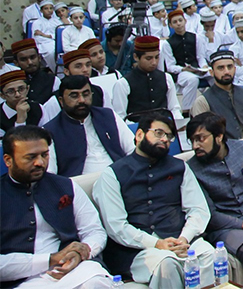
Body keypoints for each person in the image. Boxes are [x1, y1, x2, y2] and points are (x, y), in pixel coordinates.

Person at [93, 111, 214, 288]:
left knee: (209, 254)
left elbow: (198, 209)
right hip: (138, 249)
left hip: (180, 240)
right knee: (166, 263)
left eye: (169, 136)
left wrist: (184, 238)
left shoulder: (179, 167)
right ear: (139, 134)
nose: (165, 139)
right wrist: (156, 243)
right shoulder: (112, 174)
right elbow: (116, 226)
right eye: (159, 133)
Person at [1, 126, 113, 289]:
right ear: (8, 160)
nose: (40, 163)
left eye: (44, 155)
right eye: (30, 157)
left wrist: (80, 252)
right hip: (23, 281)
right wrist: (50, 259)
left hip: (71, 270)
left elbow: (94, 231)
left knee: (97, 281)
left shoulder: (65, 186)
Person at [186, 113, 243, 289]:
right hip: (226, 228)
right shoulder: (191, 169)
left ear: (218, 137)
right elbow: (209, 214)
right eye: (192, 140)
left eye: (201, 139)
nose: (196, 146)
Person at [45, 75, 136, 176]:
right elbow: (50, 173)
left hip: (118, 175)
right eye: (74, 96)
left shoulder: (108, 115)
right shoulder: (50, 130)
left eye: (86, 94)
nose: (82, 100)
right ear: (61, 101)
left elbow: (133, 148)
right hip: (79, 185)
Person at [189, 50, 243, 140]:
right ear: (212, 72)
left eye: (229, 67)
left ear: (234, 69)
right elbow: (202, 137)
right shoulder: (202, 102)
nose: (226, 72)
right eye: (221, 68)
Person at [110, 36, 182, 122]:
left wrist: (178, 123)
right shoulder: (123, 83)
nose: (154, 62)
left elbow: (174, 108)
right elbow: (120, 117)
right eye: (149, 58)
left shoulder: (166, 78)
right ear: (136, 57)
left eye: (156, 57)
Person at [163, 9, 204, 115]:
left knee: (215, 75)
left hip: (197, 69)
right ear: (171, 25)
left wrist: (204, 67)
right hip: (181, 73)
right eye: (175, 22)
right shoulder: (168, 43)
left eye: (180, 20)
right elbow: (170, 66)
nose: (178, 24)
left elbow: (200, 57)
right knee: (192, 79)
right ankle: (187, 109)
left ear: (185, 21)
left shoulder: (196, 37)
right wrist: (182, 69)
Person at [10, 39, 60, 106]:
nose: (30, 62)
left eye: (32, 57)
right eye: (23, 59)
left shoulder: (53, 80)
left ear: (39, 58)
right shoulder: (12, 83)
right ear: (16, 63)